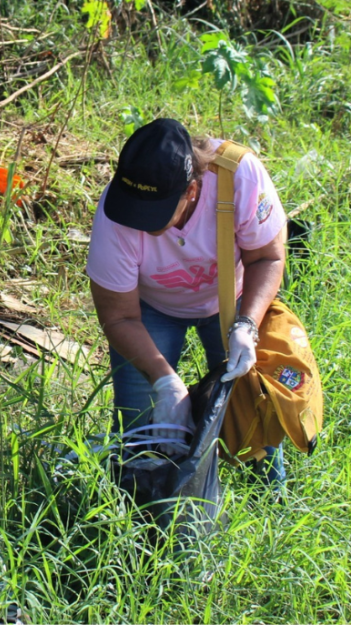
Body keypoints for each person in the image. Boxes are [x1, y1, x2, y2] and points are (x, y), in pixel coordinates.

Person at [86, 118, 287, 485]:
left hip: (231, 299)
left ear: (192, 190)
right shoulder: (116, 213)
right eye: (136, 210)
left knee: (253, 405)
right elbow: (118, 317)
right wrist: (166, 383)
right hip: (149, 311)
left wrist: (247, 324)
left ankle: (270, 499)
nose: (141, 224)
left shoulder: (237, 177)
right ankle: (144, 519)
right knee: (140, 430)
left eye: (156, 213)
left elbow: (268, 257)